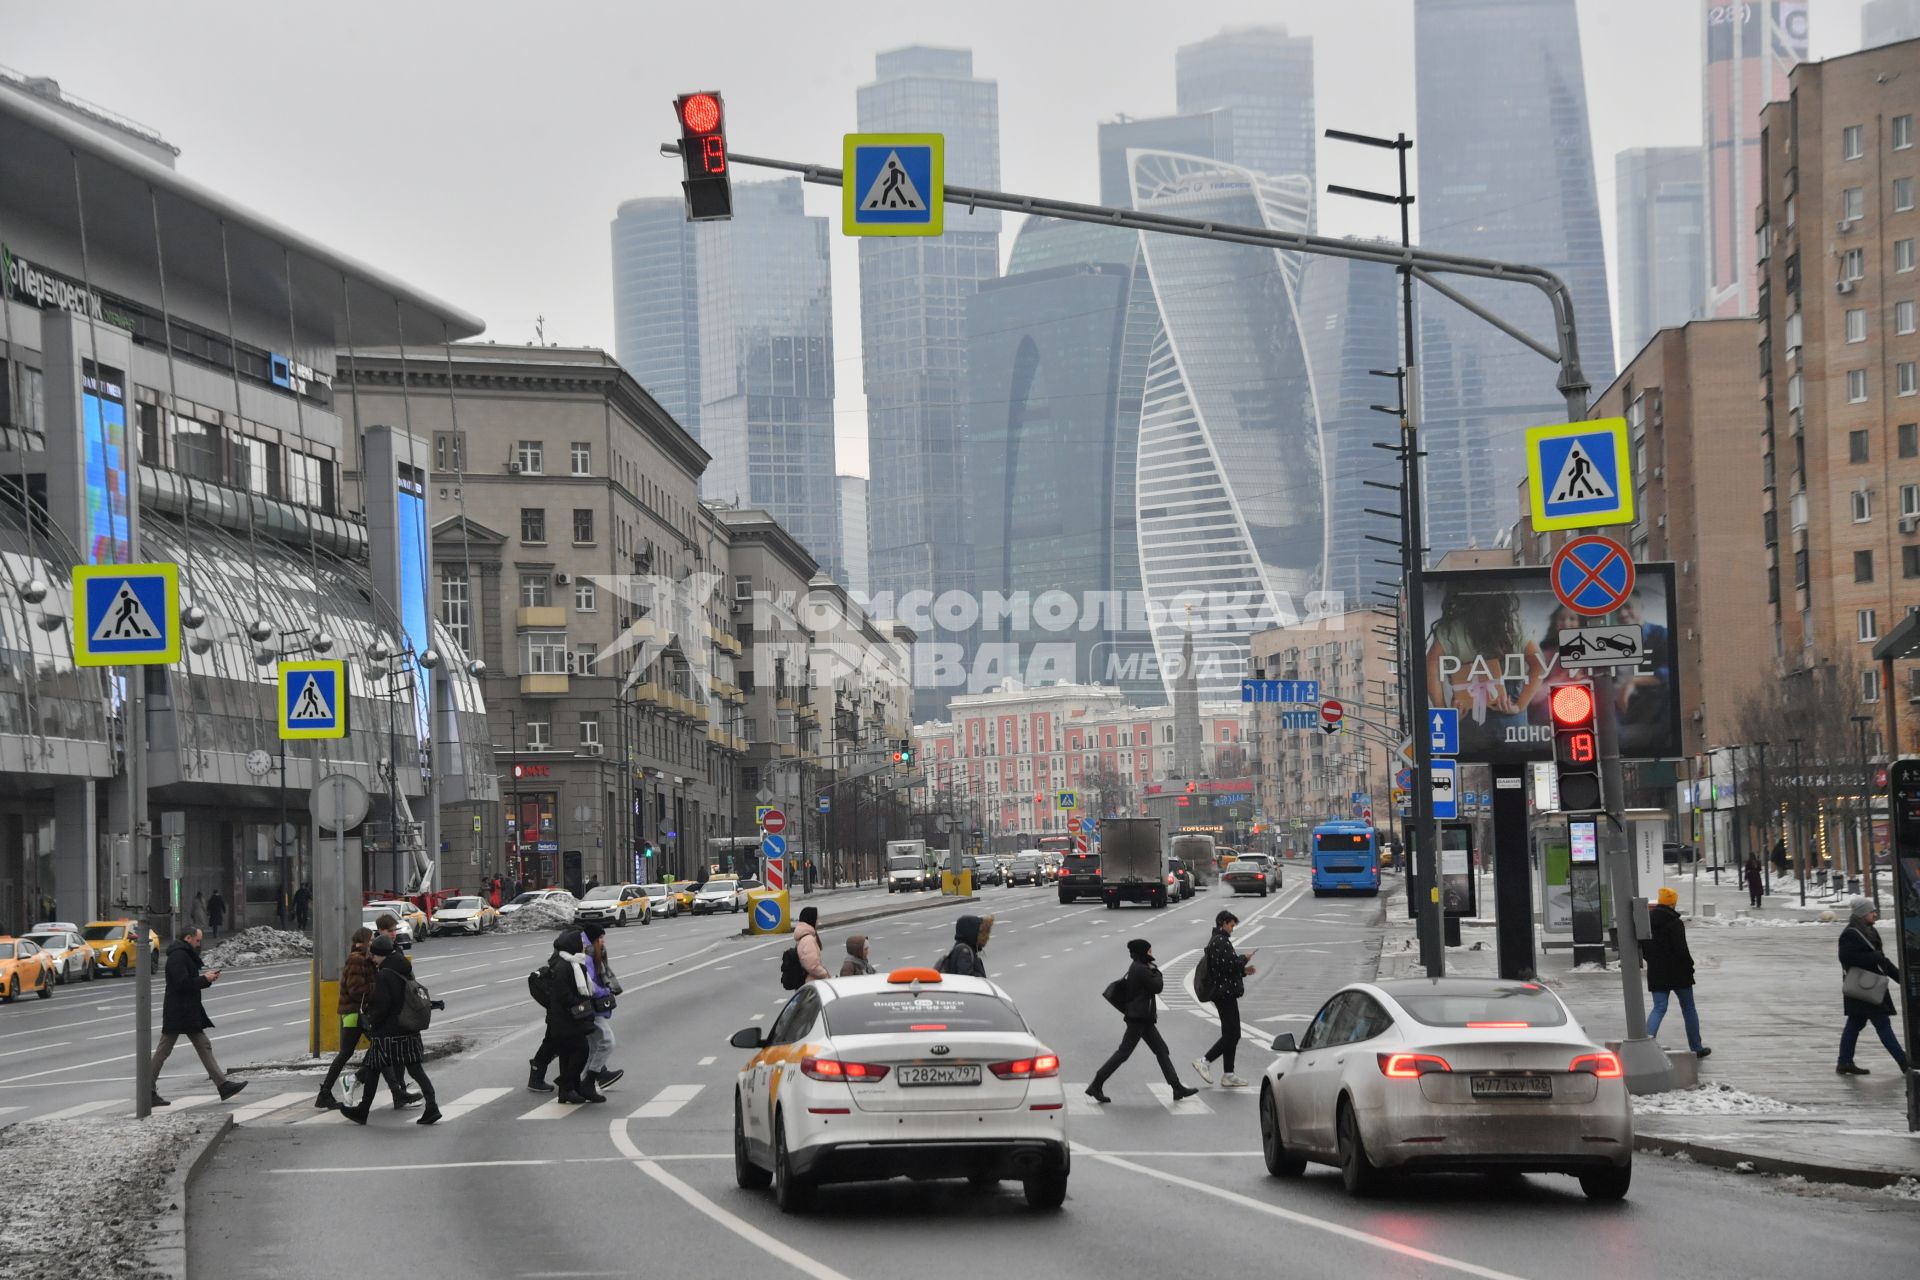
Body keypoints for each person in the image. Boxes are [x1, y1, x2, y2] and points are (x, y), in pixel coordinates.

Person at [340, 933, 444, 1125]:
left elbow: (383, 1004)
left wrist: (372, 1021)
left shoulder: (385, 974)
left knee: (372, 1067)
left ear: (380, 954)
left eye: (374, 955)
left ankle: (362, 1112)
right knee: (414, 1069)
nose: (373, 958)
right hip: (408, 1029)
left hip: (388, 1033)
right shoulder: (404, 969)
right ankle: (432, 1106)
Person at [1087, 939, 1199, 1104]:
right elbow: (1157, 986)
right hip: (1138, 1019)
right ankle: (1096, 1084)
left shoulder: (1138, 967)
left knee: (1161, 1050)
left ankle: (1176, 1087)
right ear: (1143, 953)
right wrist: (1158, 972)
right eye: (1149, 952)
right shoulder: (1141, 969)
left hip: (1143, 1018)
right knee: (1123, 1053)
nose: (1151, 954)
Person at [148, 927, 247, 1108]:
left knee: (203, 1045)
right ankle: (147, 1090)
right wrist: (204, 979)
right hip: (179, 1011)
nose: (199, 945)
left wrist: (206, 980)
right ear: (188, 938)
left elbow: (187, 983)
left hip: (186, 1010)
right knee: (164, 1051)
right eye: (198, 941)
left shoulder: (183, 954)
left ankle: (223, 1085)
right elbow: (182, 983)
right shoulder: (178, 956)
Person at [1837, 897, 1909, 1076]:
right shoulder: (1851, 933)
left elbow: (1882, 960)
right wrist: (1873, 958)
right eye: (1872, 911)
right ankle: (1904, 1062)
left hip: (1868, 987)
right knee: (1883, 1024)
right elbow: (1846, 957)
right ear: (1862, 913)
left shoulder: (1869, 931)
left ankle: (1844, 1062)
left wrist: (1901, 978)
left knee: (1854, 1024)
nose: (1875, 914)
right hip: (1865, 987)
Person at [1193, 910, 1256, 1089]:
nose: (1232, 929)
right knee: (1233, 1034)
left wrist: (1244, 971)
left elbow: (1224, 969)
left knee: (1230, 1034)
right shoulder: (1220, 941)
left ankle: (1229, 1074)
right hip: (1224, 994)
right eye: (1231, 925)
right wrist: (1244, 959)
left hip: (1223, 992)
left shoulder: (1218, 941)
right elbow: (1228, 965)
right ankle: (1204, 1061)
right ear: (1223, 923)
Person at [1644, 887, 1710, 1059]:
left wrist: (1653, 961)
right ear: (1673, 903)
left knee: (1659, 1008)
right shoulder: (1675, 923)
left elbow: (1644, 947)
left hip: (1657, 972)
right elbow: (1682, 950)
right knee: (1689, 1009)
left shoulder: (1648, 922)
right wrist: (1690, 965)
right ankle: (1696, 1047)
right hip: (1679, 972)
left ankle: (1645, 1044)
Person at [316, 927, 378, 1109]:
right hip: (355, 1014)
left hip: (357, 1013)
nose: (373, 942)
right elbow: (355, 989)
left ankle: (325, 1093)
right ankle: (328, 1091)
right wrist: (376, 989)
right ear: (364, 941)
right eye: (371, 939)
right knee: (356, 1052)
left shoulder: (363, 959)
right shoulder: (356, 960)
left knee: (362, 1051)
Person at [541, 930, 603, 1105]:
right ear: (572, 944)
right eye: (581, 943)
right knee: (581, 1050)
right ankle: (566, 1084)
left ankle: (568, 1091)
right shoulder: (563, 966)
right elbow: (564, 995)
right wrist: (581, 1005)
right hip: (564, 1019)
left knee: (567, 1054)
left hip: (570, 1018)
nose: (584, 946)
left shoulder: (575, 963)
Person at [582, 924, 625, 1090]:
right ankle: (589, 1079)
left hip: (590, 1008)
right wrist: (605, 991)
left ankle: (587, 1082)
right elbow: (590, 985)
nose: (603, 941)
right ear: (592, 940)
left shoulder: (592, 954)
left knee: (594, 1046)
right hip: (590, 1008)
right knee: (607, 1041)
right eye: (600, 938)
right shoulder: (588, 957)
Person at [793, 906, 830, 983]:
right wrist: (824, 974)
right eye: (817, 919)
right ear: (811, 920)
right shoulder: (808, 940)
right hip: (812, 982)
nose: (818, 922)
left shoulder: (804, 937)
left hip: (808, 981)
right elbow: (812, 966)